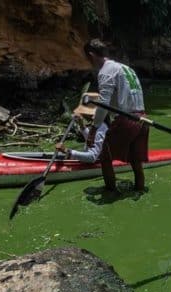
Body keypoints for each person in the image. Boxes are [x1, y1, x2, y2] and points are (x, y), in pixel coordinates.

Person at [56, 39, 149, 194]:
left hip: (126, 119)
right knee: (135, 161)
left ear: (91, 55)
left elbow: (103, 103)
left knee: (105, 158)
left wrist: (93, 131)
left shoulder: (106, 71)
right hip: (142, 118)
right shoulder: (126, 68)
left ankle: (110, 192)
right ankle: (139, 189)